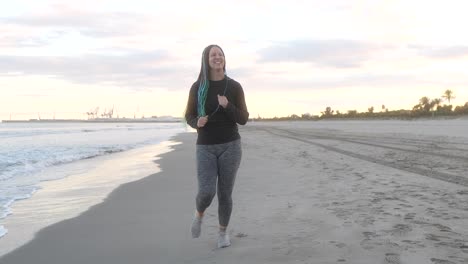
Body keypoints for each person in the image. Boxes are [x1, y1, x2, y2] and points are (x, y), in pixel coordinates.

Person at [184, 44, 249, 248]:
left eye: (220, 54)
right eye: (213, 55)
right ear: (206, 60)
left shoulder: (235, 87)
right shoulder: (197, 88)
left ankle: (222, 233)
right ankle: (199, 214)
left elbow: (244, 118)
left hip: (231, 145)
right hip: (205, 146)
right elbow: (189, 115)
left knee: (224, 194)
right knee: (206, 192)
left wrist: (227, 105)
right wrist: (197, 123)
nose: (217, 57)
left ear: (224, 59)